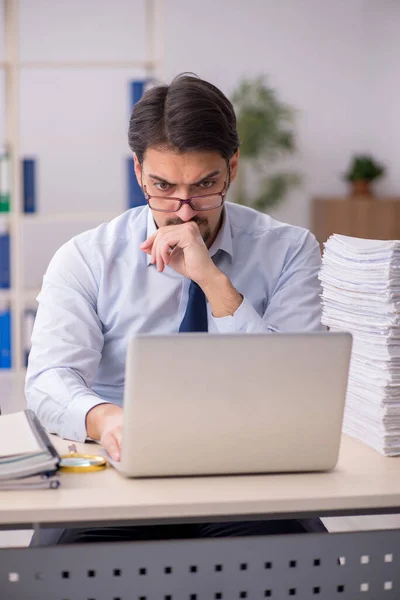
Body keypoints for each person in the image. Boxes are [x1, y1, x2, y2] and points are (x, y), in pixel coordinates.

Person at [27, 74, 326, 545]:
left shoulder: (288, 250)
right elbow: (48, 379)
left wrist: (212, 281)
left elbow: (301, 385)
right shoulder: (86, 257)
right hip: (118, 473)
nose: (185, 212)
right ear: (139, 172)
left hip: (252, 474)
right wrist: (106, 418)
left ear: (232, 168)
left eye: (205, 185)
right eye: (163, 186)